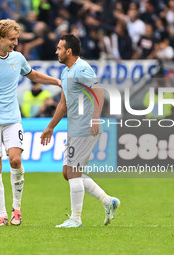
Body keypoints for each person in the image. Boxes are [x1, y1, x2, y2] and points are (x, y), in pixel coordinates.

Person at [0, 19, 61, 227]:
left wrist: (57, 81)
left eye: (16, 39)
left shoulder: (18, 58)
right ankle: (2, 214)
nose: (15, 43)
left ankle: (17, 209)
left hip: (12, 119)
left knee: (15, 160)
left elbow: (32, 74)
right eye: (12, 39)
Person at [40, 34, 120, 228]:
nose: (56, 51)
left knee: (74, 172)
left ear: (69, 51)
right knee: (68, 172)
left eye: (59, 48)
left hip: (85, 126)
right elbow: (63, 104)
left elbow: (99, 92)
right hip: (74, 127)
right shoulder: (66, 72)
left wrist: (94, 118)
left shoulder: (82, 69)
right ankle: (108, 201)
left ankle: (76, 219)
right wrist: (50, 127)